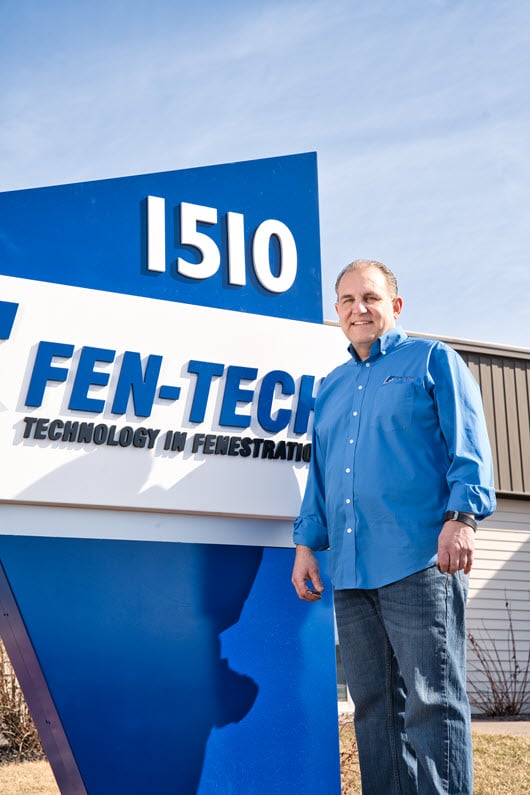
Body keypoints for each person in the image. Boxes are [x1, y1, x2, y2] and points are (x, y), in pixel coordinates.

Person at [291, 259, 496, 795]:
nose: (359, 309)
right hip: (353, 570)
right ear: (336, 312)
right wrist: (307, 544)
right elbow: (320, 476)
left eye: (371, 298)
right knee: (374, 708)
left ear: (395, 306)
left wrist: (462, 517)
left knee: (433, 702)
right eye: (347, 300)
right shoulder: (330, 388)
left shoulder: (432, 360)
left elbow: (469, 445)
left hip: (420, 560)